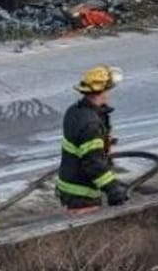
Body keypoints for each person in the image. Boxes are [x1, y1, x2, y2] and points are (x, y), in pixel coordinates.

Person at [57, 64, 130, 212]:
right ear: (104, 90)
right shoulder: (91, 125)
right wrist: (113, 188)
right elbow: (93, 163)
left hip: (69, 183)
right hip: (82, 193)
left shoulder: (74, 111)